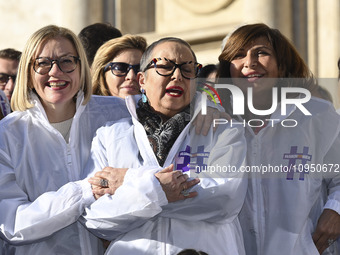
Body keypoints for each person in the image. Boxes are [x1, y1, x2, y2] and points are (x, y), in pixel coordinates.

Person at [80, 37, 248, 255]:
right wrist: (158, 188)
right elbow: (95, 217)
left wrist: (129, 182)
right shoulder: (110, 136)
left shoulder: (223, 130)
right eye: (165, 67)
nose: (177, 75)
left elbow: (225, 200)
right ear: (142, 80)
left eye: (187, 69)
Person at [0, 25, 133, 254]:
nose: (55, 72)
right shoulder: (8, 134)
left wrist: (206, 106)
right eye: (42, 63)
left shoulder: (119, 112)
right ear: (29, 74)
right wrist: (85, 191)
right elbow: (13, 223)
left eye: (67, 61)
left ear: (81, 68)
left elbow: (173, 103)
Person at [217, 23, 340, 255]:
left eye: (261, 52)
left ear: (282, 64)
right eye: (238, 55)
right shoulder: (216, 124)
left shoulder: (316, 115)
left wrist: (335, 212)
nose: (250, 62)